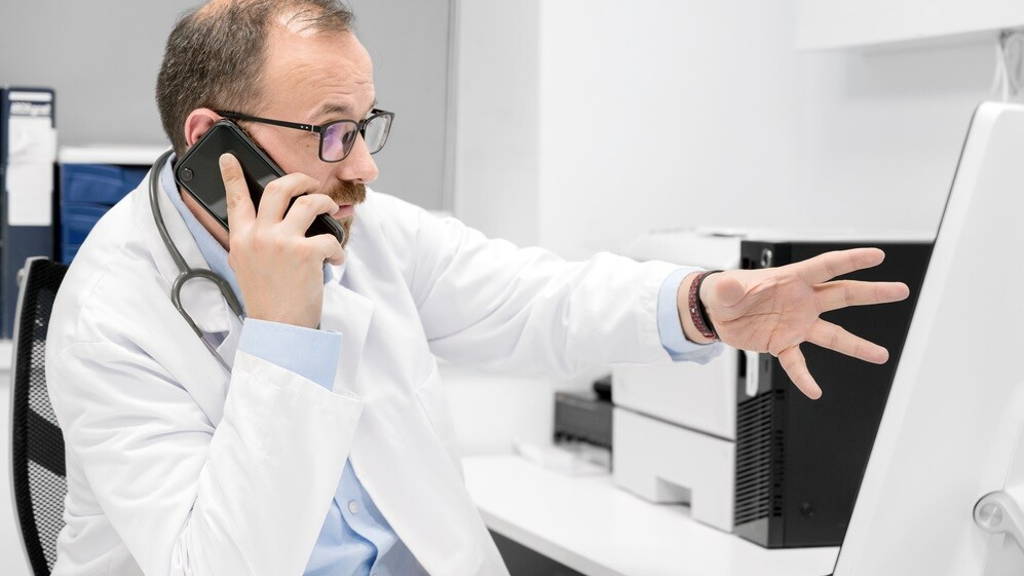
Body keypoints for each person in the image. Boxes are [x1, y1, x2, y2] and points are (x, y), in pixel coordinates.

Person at [45, 1, 910, 575]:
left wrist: (701, 303)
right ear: (214, 141)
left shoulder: (359, 227)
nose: (368, 166)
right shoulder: (113, 314)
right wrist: (283, 337)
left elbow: (531, 299)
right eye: (335, 134)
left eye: (366, 125)